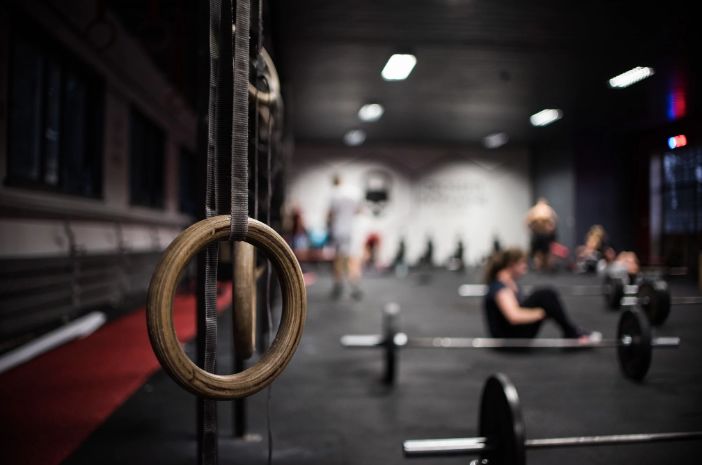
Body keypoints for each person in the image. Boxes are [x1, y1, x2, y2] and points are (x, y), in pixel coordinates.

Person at [483, 247, 600, 341]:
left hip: (513, 333)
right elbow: (514, 316)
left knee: (546, 295)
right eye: (522, 263)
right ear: (512, 264)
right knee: (545, 295)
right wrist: (542, 313)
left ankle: (571, 331)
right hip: (508, 337)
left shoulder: (509, 283)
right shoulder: (500, 286)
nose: (525, 266)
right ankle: (571, 333)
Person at [327, 174, 362, 298]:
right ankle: (354, 284)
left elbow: (330, 214)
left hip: (339, 230)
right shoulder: (354, 192)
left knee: (338, 258)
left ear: (334, 182)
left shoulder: (335, 194)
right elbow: (359, 210)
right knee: (352, 257)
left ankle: (338, 284)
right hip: (351, 230)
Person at [525, 197, 558, 271]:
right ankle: (543, 267)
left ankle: (543, 267)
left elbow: (527, 222)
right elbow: (554, 222)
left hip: (542, 234)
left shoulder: (537, 210)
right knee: (542, 252)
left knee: (544, 252)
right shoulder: (546, 210)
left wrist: (530, 229)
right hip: (541, 234)